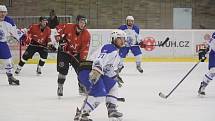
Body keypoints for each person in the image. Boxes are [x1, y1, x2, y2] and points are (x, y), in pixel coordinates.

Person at [73, 30, 126, 121]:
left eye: (123, 39)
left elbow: (108, 71)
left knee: (113, 85)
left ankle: (112, 110)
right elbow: (99, 59)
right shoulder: (109, 47)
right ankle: (82, 114)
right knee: (100, 93)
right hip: (88, 69)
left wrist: (114, 77)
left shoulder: (116, 53)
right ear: (114, 39)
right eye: (120, 39)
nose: (122, 41)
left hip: (95, 72)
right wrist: (96, 71)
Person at [56, 15, 91, 97]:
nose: (83, 24)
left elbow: (85, 49)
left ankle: (81, 87)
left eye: (84, 23)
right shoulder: (68, 26)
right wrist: (59, 38)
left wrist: (82, 61)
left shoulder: (86, 34)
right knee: (63, 70)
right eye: (81, 22)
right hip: (64, 52)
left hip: (76, 54)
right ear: (77, 22)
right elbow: (58, 29)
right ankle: (60, 86)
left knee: (81, 71)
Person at [0, 5, 24, 85]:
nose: (2, 14)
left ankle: (10, 77)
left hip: (2, 43)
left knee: (8, 61)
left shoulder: (9, 21)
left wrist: (22, 37)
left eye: (4, 12)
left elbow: (15, 31)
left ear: (6, 13)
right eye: (0, 12)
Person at [198, 32, 215, 96]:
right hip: (214, 55)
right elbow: (211, 45)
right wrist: (205, 50)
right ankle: (203, 86)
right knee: (213, 71)